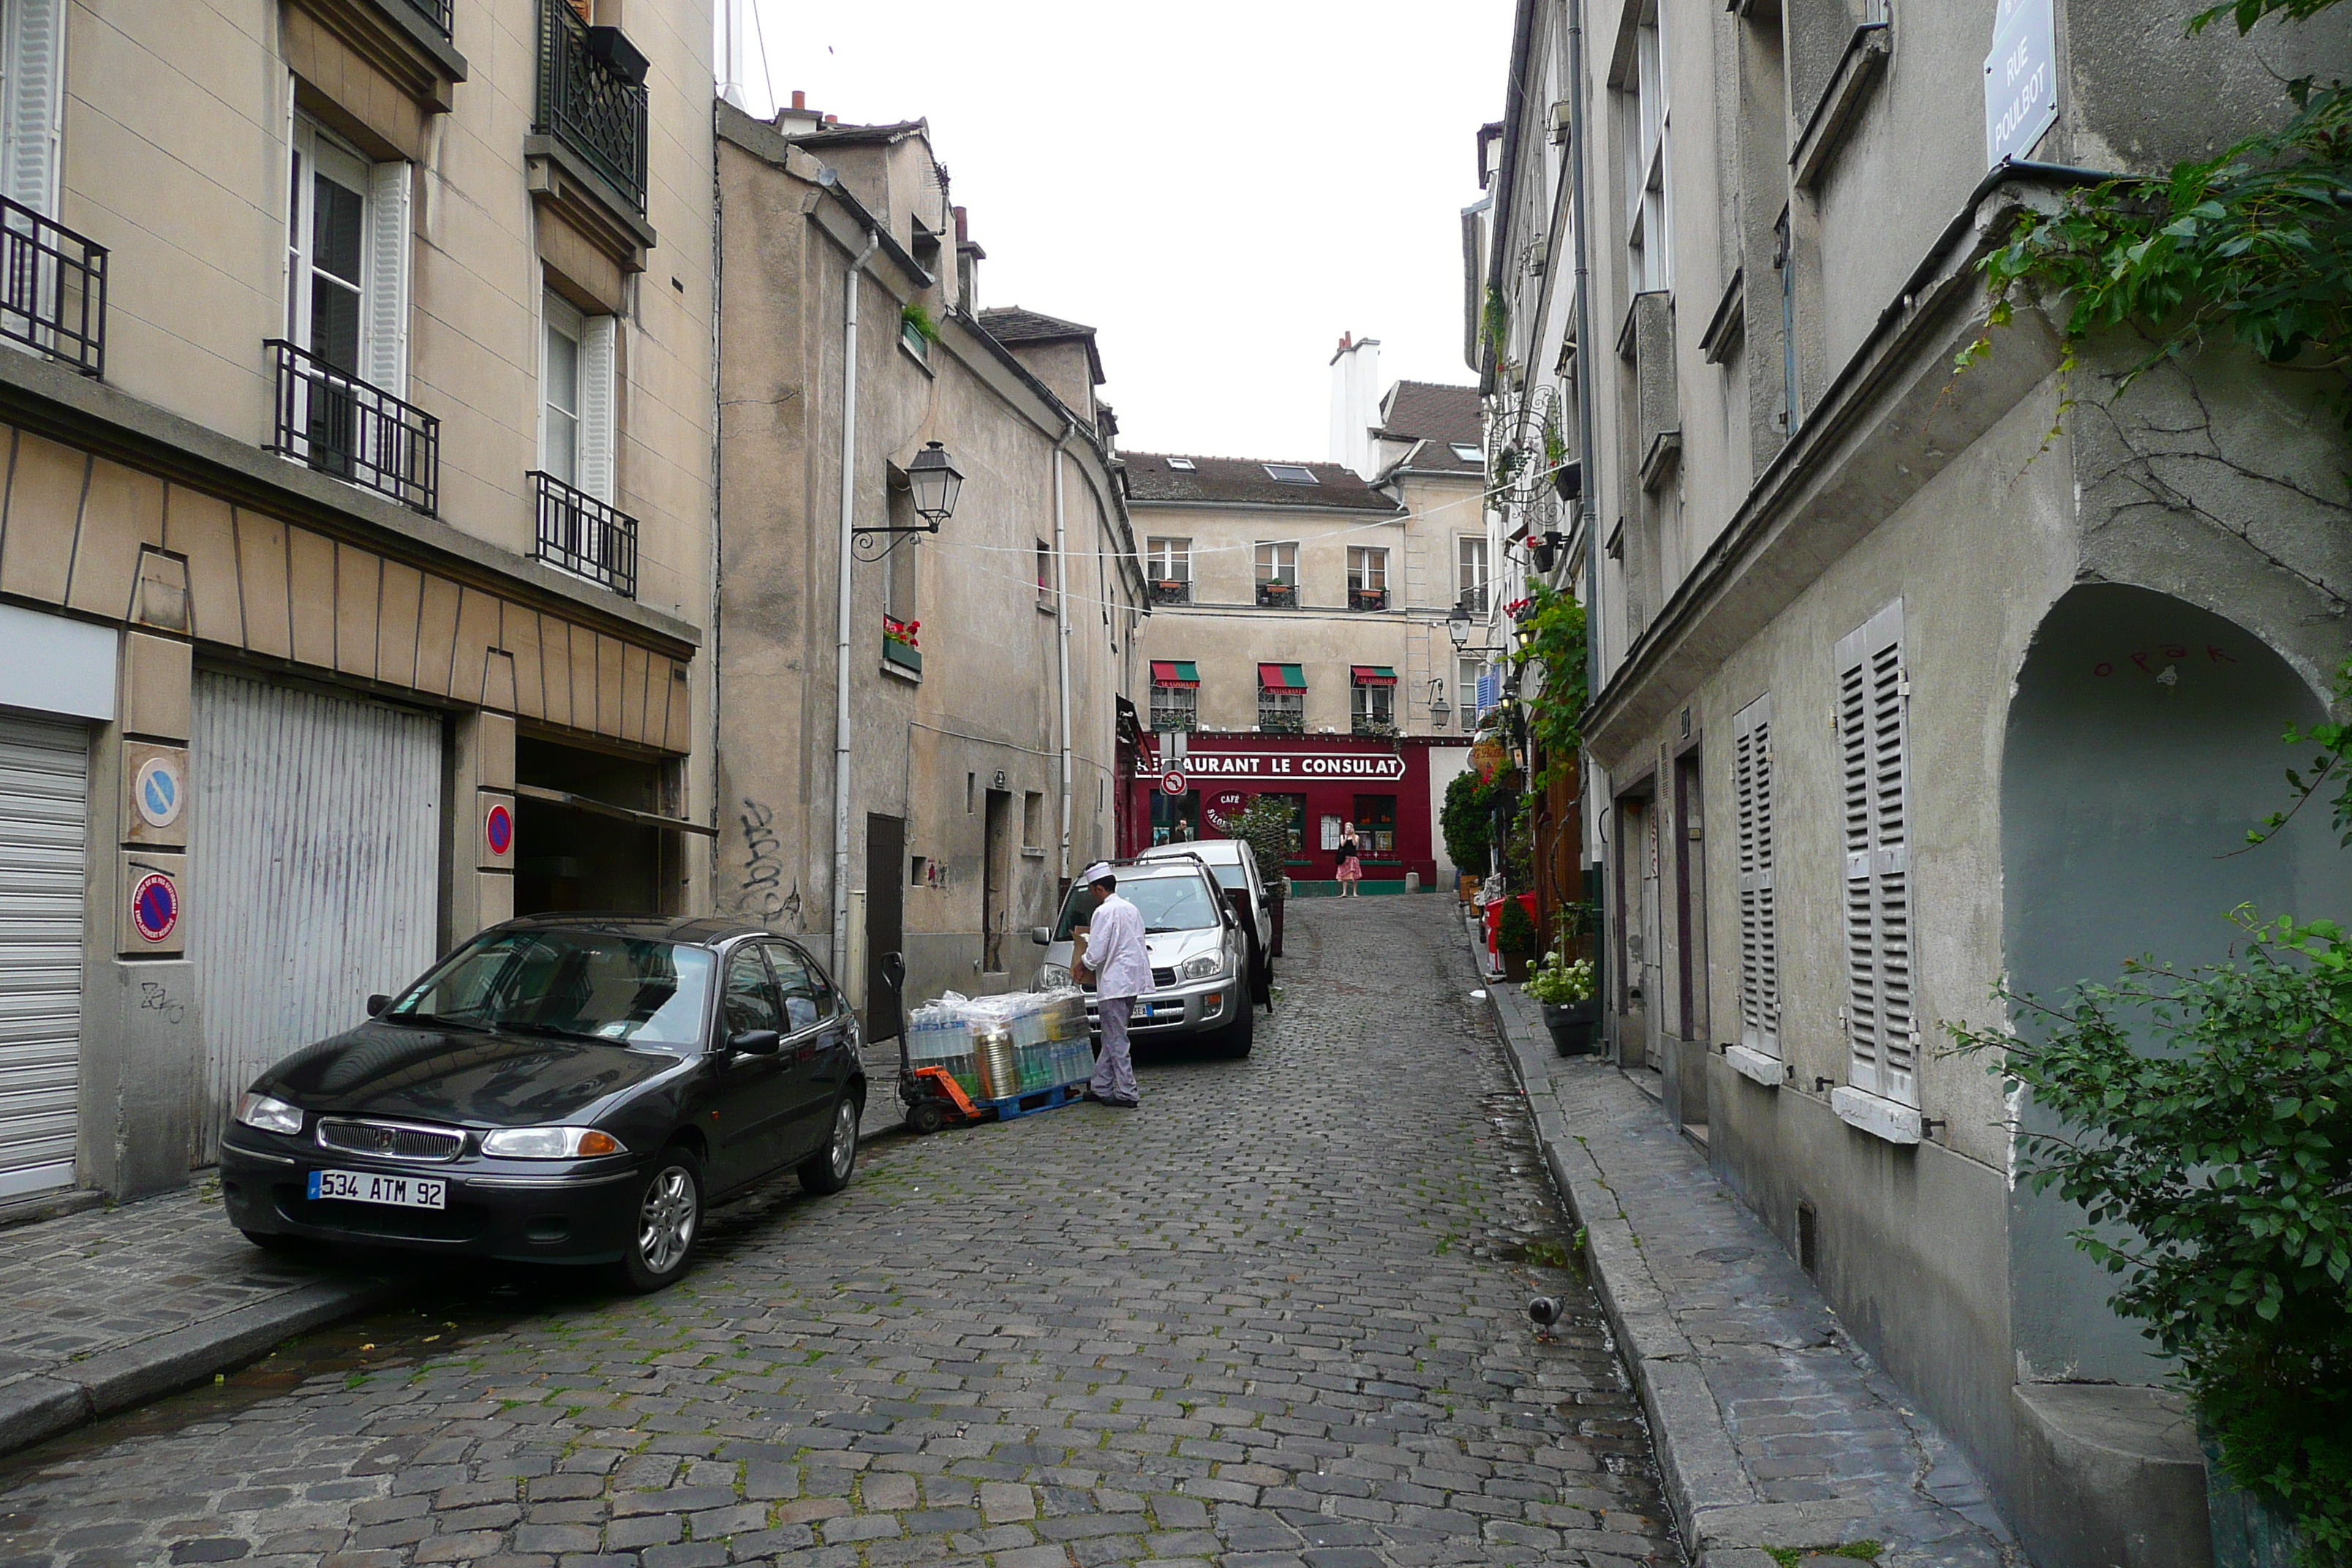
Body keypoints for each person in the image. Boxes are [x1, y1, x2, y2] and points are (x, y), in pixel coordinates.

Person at [1073, 862, 1148, 1107]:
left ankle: (1128, 1091)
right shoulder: (1131, 909)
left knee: (1116, 1039)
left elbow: (1096, 953)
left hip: (1114, 984)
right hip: (1131, 982)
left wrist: (1082, 963)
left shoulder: (1104, 913)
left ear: (1097, 889)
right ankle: (1101, 1085)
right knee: (1112, 1036)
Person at [1335, 822, 1364, 897]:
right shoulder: (1343, 836)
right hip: (1345, 857)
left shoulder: (1356, 836)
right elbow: (1342, 844)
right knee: (1344, 876)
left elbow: (1355, 844)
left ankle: (1354, 892)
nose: (1348, 829)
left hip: (1353, 857)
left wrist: (1353, 835)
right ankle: (1344, 892)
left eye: (1350, 828)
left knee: (1354, 876)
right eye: (1347, 828)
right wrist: (1346, 836)